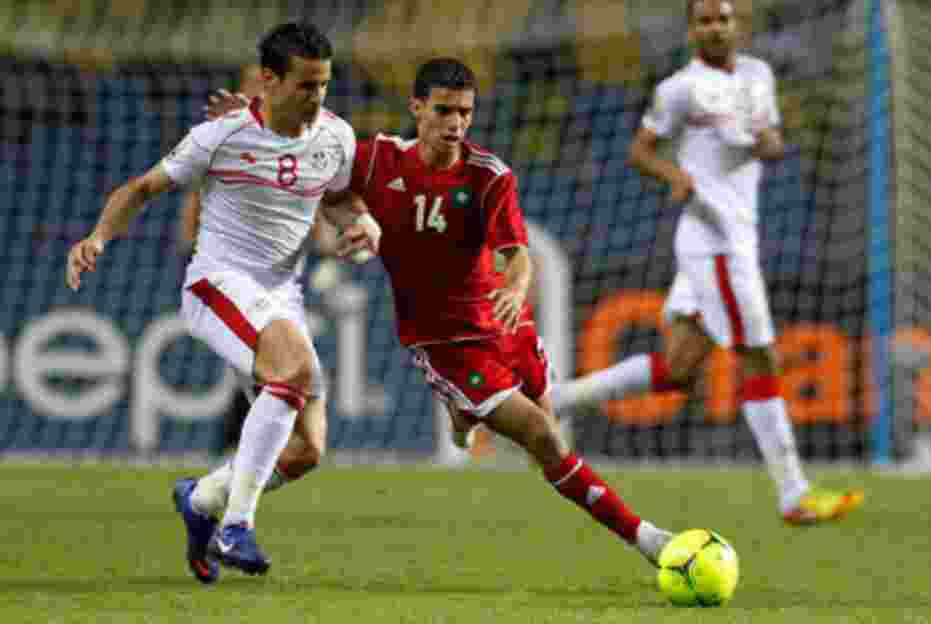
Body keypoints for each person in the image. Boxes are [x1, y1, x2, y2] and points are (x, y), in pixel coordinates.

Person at [333, 57, 678, 567]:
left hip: (501, 323)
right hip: (444, 342)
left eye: (465, 113)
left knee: (549, 414)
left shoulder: (488, 176)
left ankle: (463, 410)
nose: (455, 124)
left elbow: (518, 256)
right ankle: (649, 540)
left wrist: (516, 291)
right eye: (444, 110)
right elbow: (330, 192)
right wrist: (358, 220)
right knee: (544, 437)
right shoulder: (378, 159)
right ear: (417, 108)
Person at [66, 22, 379, 583]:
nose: (318, 97)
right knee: (294, 372)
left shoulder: (336, 136)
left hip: (283, 294)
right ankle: (236, 525)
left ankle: (202, 499)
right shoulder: (221, 136)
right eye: (306, 85)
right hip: (218, 284)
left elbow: (337, 198)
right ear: (269, 81)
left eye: (325, 85)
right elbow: (140, 189)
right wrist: (97, 238)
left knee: (308, 450)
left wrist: (363, 223)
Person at [550, 0, 863, 525]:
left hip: (738, 235)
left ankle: (557, 399)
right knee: (759, 356)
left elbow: (773, 144)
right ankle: (794, 494)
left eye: (724, 18)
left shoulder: (759, 76)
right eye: (706, 20)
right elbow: (640, 150)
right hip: (713, 240)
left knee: (677, 369)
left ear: (736, 25)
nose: (716, 28)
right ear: (692, 30)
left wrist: (769, 142)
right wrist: (674, 177)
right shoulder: (679, 88)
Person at [178, 63, 265, 455]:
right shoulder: (220, 139)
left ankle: (235, 442)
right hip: (228, 265)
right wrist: (190, 245)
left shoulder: (290, 136)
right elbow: (194, 196)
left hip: (268, 266)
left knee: (261, 360)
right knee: (261, 358)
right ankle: (238, 442)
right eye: (254, 84)